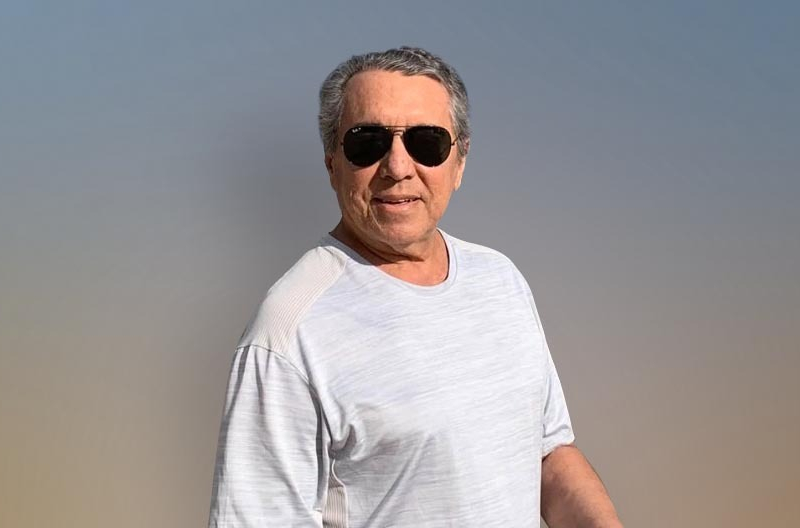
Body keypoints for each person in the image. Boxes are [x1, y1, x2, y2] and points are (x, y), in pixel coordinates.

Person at [208, 46, 622, 527]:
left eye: (427, 142)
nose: (398, 167)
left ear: (459, 161)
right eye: (368, 143)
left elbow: (548, 455)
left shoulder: (500, 279)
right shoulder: (288, 333)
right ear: (332, 163)